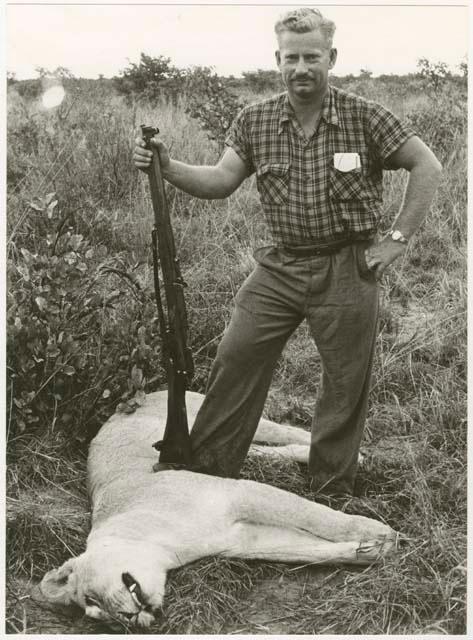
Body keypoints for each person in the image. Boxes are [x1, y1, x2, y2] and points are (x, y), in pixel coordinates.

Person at [133, 7, 441, 495]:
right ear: (278, 60)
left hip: (347, 265)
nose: (302, 67)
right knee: (236, 356)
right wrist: (168, 167)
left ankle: (330, 489)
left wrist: (395, 241)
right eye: (292, 57)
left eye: (312, 56)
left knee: (344, 383)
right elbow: (219, 180)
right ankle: (206, 476)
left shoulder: (365, 115)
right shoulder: (255, 119)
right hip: (280, 266)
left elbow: (427, 165)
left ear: (331, 57)